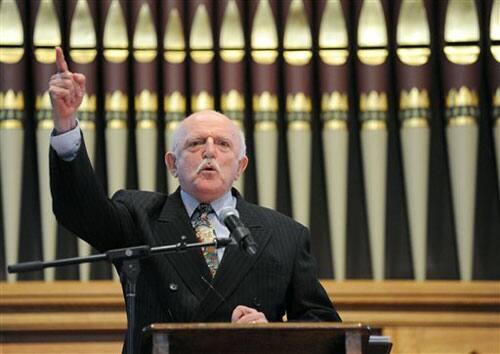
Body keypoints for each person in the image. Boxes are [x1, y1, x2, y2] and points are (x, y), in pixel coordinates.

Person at [49, 47, 341, 353]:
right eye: (196, 143)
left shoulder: (285, 235)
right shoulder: (139, 217)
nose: (210, 151)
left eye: (223, 144)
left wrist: (269, 332)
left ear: (241, 166)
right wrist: (66, 125)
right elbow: (79, 211)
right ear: (172, 164)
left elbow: (325, 328)